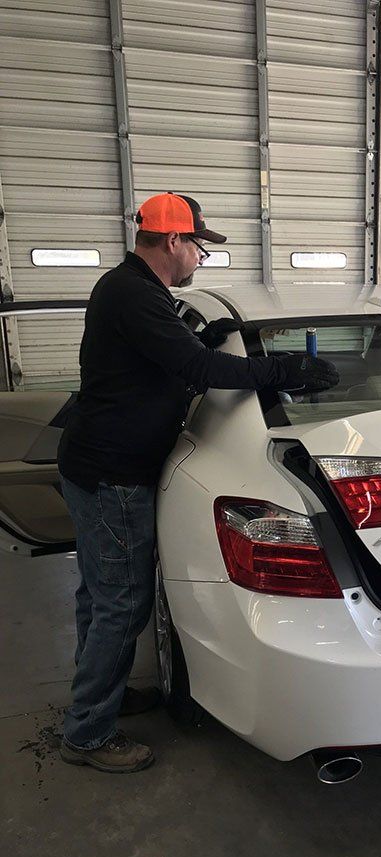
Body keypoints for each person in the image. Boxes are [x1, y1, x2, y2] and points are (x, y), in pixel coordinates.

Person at [57, 192, 338, 773]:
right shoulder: (134, 295)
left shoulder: (132, 290)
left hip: (96, 464)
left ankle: (97, 695)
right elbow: (201, 371)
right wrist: (282, 370)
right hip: (113, 476)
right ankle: (87, 733)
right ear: (170, 242)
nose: (201, 259)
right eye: (198, 246)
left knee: (99, 595)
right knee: (122, 604)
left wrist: (199, 343)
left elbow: (174, 359)